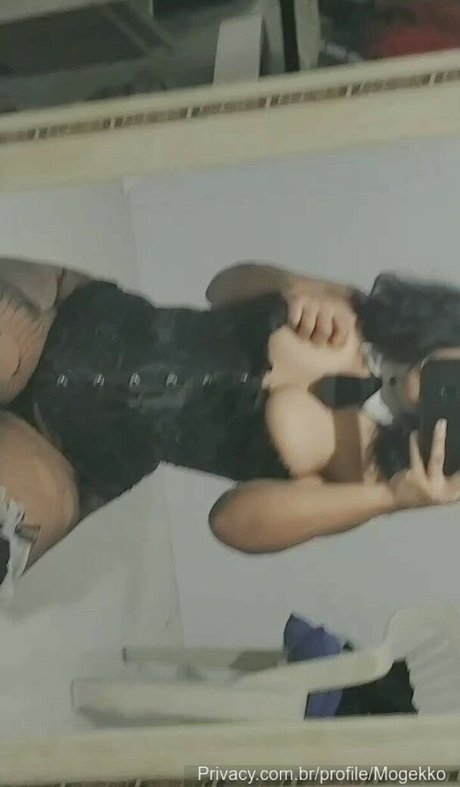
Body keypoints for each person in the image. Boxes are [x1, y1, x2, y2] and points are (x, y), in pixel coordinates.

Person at [1, 257, 460, 601]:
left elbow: (230, 522)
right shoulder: (362, 314)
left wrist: (390, 499)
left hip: (71, 453)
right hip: (71, 321)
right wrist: (296, 285)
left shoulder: (371, 476)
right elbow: (222, 286)